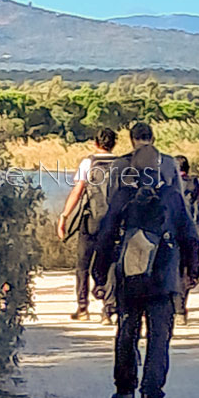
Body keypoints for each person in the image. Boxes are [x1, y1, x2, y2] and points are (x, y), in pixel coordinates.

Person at [93, 123, 199, 398]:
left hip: (130, 276)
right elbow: (190, 235)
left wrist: (100, 276)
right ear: (158, 166)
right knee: (158, 337)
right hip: (164, 276)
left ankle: (124, 391)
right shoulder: (172, 196)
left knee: (126, 331)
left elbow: (105, 236)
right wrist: (193, 270)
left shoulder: (122, 195)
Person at [57, 128, 119, 325]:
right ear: (114, 144)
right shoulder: (123, 164)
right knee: (110, 264)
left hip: (90, 219)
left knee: (83, 264)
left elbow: (78, 191)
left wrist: (64, 216)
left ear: (96, 143)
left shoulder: (88, 162)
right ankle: (108, 310)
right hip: (114, 221)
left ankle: (82, 307)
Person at [173, 155, 199, 326]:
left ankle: (174, 308)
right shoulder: (198, 188)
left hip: (172, 236)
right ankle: (181, 310)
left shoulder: (167, 186)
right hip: (194, 236)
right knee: (187, 272)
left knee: (172, 270)